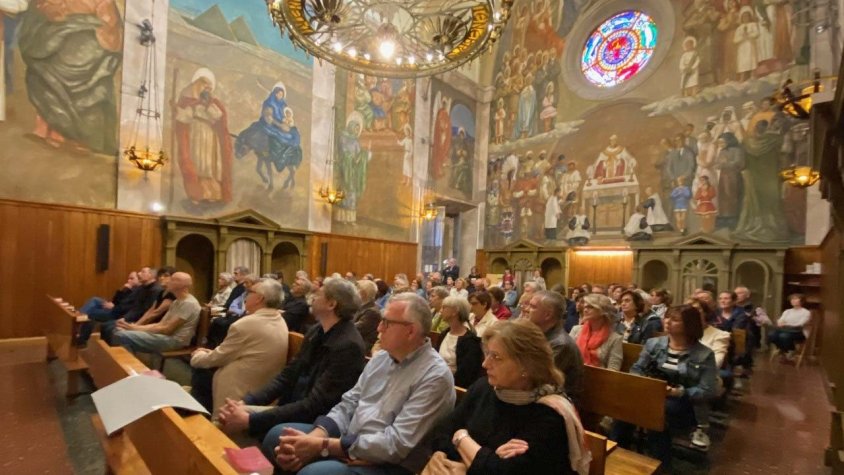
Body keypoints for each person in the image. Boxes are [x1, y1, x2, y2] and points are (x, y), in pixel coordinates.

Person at [269, 293, 455, 474]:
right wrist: (316, 438)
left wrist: (326, 446)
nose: (379, 328)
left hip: (388, 464)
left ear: (411, 331)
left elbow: (396, 445)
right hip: (350, 442)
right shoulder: (382, 358)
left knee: (315, 472)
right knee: (278, 438)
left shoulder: (435, 377)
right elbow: (349, 403)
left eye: (387, 322)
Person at [428, 320, 588, 475]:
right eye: (487, 354)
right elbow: (441, 432)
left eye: (496, 357)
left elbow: (504, 471)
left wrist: (461, 437)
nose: (485, 364)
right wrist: (444, 455)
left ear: (527, 365)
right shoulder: (483, 388)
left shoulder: (549, 414)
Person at [218, 277, 366, 441]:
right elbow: (286, 376)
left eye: (318, 294)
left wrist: (251, 419)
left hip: (314, 419)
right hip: (293, 406)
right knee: (231, 413)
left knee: (236, 422)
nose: (312, 297)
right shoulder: (316, 331)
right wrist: (246, 402)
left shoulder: (348, 346)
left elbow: (314, 405)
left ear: (331, 304)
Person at [612, 305, 718, 464]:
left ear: (689, 324)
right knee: (625, 409)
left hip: (683, 402)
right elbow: (637, 368)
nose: (667, 321)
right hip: (651, 394)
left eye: (674, 319)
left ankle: (659, 461)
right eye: (667, 317)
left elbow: (708, 390)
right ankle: (618, 455)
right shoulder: (654, 343)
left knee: (660, 413)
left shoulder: (704, 354)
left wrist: (678, 392)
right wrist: (645, 383)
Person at [190, 279, 289, 417]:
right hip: (263, 381)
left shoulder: (246, 324)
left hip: (243, 388)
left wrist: (197, 356)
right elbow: (240, 352)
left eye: (250, 292)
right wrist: (211, 353)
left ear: (259, 298)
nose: (246, 295)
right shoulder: (278, 318)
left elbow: (217, 358)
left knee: (200, 371)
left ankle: (202, 423)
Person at [112, 272, 201, 354]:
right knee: (119, 330)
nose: (168, 281)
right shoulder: (177, 301)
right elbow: (160, 324)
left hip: (174, 341)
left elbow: (166, 329)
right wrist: (134, 327)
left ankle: (127, 368)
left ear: (183, 286)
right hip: (164, 336)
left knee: (121, 335)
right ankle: (130, 366)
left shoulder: (189, 303)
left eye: (173, 279)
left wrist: (134, 328)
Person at [524, 291, 585, 404]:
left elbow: (538, 379)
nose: (526, 309)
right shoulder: (536, 335)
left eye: (532, 307)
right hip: (539, 395)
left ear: (547, 315)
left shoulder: (561, 344)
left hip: (558, 403)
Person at [77, 271, 140, 346]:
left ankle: (82, 338)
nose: (129, 281)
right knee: (95, 300)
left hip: (117, 313)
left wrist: (114, 306)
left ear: (138, 280)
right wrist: (122, 290)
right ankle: (79, 315)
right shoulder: (128, 289)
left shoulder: (137, 292)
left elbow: (125, 307)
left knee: (91, 314)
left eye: (132, 278)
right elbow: (115, 300)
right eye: (128, 278)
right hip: (115, 307)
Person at [434, 296, 484, 388]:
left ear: (455, 311)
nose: (441, 310)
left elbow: (466, 376)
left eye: (444, 307)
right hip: (436, 381)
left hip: (453, 387)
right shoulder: (444, 334)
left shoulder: (470, 342)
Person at [569, 294, 623, 371]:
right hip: (574, 375)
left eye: (590, 307)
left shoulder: (615, 339)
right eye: (585, 306)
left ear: (603, 311)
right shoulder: (576, 330)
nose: (585, 310)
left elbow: (613, 369)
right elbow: (567, 356)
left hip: (601, 379)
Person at [768, 293, 812, 358]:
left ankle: (791, 350)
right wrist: (780, 323)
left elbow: (800, 324)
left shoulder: (806, 312)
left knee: (783, 336)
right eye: (792, 299)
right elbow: (780, 320)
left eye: (795, 299)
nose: (793, 300)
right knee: (771, 335)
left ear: (801, 301)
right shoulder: (787, 311)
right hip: (785, 330)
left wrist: (786, 324)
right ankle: (784, 349)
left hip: (798, 332)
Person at [353, 279, 381, 353]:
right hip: (355, 342)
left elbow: (355, 329)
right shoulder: (361, 307)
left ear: (364, 293)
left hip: (362, 347)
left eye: (357, 289)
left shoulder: (372, 312)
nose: (355, 292)